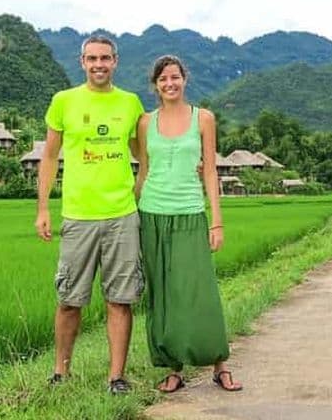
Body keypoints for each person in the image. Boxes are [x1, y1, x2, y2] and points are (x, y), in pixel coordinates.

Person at [35, 35, 145, 395]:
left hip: (121, 215)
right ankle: (61, 372)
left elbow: (143, 154)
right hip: (78, 214)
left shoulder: (130, 103)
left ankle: (116, 377)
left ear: (116, 61)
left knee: (120, 298)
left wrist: (138, 189)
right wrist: (43, 209)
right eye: (92, 58)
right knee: (69, 299)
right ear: (81, 61)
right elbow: (50, 156)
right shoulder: (64, 101)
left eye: (105, 58)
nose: (99, 64)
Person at [134, 54, 242, 393]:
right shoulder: (144, 123)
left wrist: (217, 221)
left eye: (175, 77)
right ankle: (173, 367)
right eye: (163, 79)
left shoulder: (204, 119)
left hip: (191, 214)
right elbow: (143, 171)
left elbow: (209, 171)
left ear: (185, 80)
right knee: (162, 294)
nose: (169, 83)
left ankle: (219, 364)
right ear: (155, 85)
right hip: (151, 213)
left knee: (199, 291)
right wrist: (129, 212)